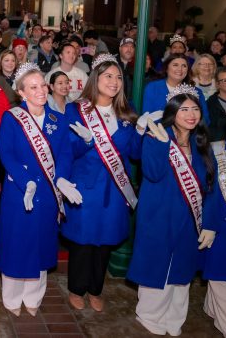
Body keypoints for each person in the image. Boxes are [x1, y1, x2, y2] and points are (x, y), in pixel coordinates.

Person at [128, 85, 217, 336]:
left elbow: (211, 187)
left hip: (189, 219)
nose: (191, 114)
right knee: (157, 266)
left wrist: (209, 223)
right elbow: (153, 174)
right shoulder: (157, 135)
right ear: (173, 112)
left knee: (182, 270)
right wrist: (160, 145)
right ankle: (149, 315)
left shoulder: (202, 145)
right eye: (184, 109)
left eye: (195, 108)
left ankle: (174, 319)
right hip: (158, 216)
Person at [0, 63, 80, 316]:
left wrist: (62, 179)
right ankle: (12, 298)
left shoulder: (58, 119)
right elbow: (6, 154)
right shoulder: (11, 118)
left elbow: (65, 153)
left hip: (47, 193)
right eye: (33, 87)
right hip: (19, 192)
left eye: (43, 85)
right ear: (21, 93)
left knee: (41, 243)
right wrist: (25, 180)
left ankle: (34, 297)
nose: (41, 90)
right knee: (16, 243)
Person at [61, 54, 143, 312]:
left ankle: (96, 289)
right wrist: (83, 141)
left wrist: (140, 133)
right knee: (83, 241)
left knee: (105, 241)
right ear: (96, 79)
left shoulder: (127, 114)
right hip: (85, 186)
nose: (114, 81)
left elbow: (135, 154)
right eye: (108, 76)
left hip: (115, 189)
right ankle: (77, 288)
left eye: (118, 77)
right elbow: (65, 150)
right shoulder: (76, 109)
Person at [203, 98, 226, 338]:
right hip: (225, 229)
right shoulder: (222, 156)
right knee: (223, 279)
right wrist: (209, 225)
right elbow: (213, 194)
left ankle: (210, 308)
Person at [142, 54, 210, 124]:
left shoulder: (196, 92)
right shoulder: (153, 87)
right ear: (166, 68)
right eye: (175, 65)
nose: (180, 69)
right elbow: (147, 116)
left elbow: (205, 120)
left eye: (184, 66)